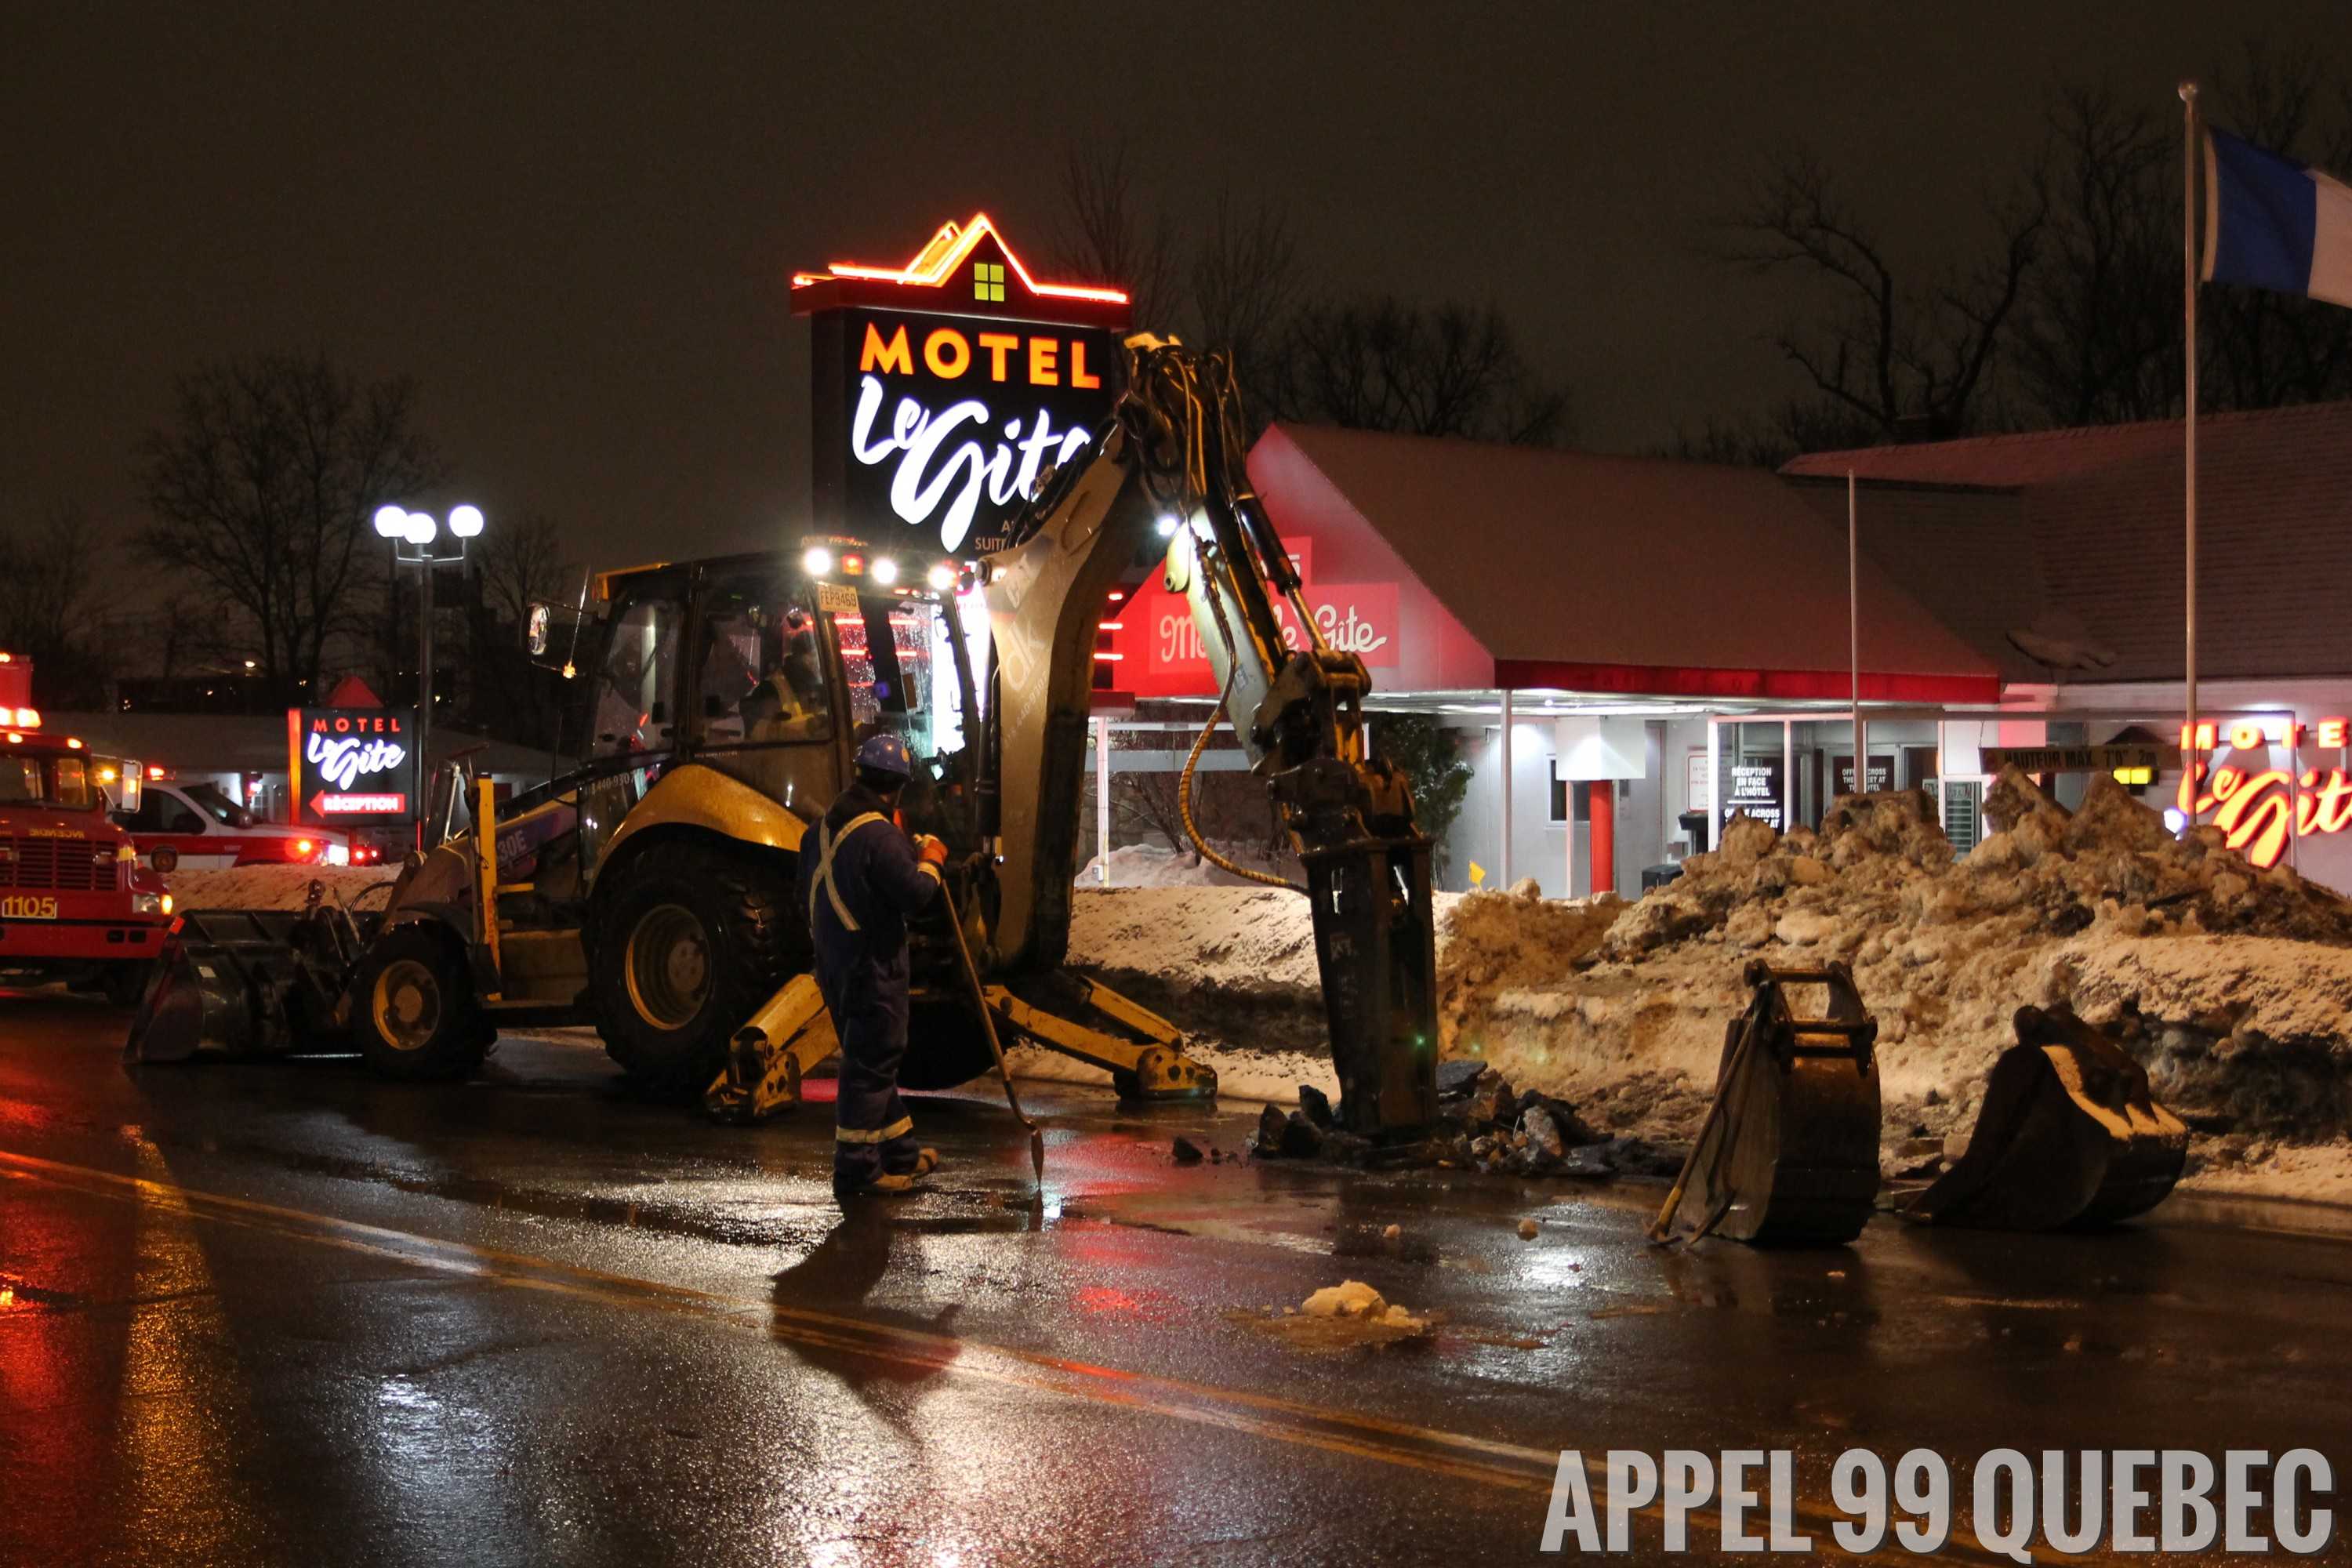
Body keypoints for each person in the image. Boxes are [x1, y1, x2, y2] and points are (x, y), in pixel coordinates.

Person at [799, 731, 950, 1198]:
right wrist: (931, 860)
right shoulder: (878, 836)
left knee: (872, 1060)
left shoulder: (819, 829)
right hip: (872, 965)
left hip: (834, 962)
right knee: (871, 1063)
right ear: (899, 787)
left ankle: (900, 1152)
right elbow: (915, 894)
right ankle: (858, 1170)